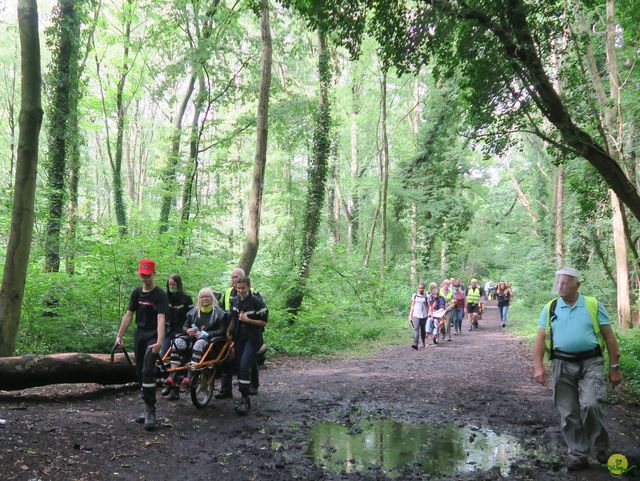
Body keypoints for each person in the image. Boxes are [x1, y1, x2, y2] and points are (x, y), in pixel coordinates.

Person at [533, 268, 621, 471]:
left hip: (591, 362)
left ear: (577, 285)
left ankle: (601, 447)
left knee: (591, 404)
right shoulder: (551, 307)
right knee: (568, 411)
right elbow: (540, 338)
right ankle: (579, 454)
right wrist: (538, 366)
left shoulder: (592, 305)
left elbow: (609, 337)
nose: (560, 286)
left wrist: (615, 367)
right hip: (561, 364)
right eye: (558, 282)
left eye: (564, 282)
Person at [115, 259, 168, 431]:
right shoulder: (136, 293)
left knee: (147, 370)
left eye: (148, 275)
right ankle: (146, 408)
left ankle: (151, 411)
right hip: (140, 336)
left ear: (154, 274)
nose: (145, 278)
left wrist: (160, 341)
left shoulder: (160, 295)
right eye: (142, 275)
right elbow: (129, 315)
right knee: (139, 373)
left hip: (153, 336)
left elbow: (161, 319)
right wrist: (119, 335)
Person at [167, 287, 230, 393]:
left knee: (199, 344)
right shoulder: (192, 312)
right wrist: (188, 330)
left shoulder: (220, 314)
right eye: (202, 297)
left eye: (207, 296)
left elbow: (222, 330)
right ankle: (172, 375)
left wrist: (205, 334)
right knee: (177, 343)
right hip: (191, 339)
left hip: (211, 343)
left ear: (212, 298)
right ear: (198, 299)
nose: (204, 299)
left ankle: (190, 377)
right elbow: (185, 326)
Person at [216, 267, 262, 399]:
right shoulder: (228, 292)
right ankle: (226, 389)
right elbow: (223, 311)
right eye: (233, 277)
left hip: (250, 333)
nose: (234, 280)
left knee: (249, 359)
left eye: (237, 277)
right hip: (231, 329)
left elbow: (260, 316)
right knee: (228, 358)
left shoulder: (254, 293)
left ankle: (253, 385)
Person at [228, 276, 268, 415]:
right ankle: (244, 396)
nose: (240, 291)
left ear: (249, 287)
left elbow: (263, 323)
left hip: (253, 338)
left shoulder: (257, 302)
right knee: (239, 367)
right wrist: (228, 332)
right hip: (239, 338)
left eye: (243, 288)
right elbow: (233, 319)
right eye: (238, 288)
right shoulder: (234, 300)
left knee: (245, 366)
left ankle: (245, 400)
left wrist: (248, 320)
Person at [161, 274, 193, 399]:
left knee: (180, 358)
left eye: (173, 284)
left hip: (182, 332)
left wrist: (188, 330)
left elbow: (191, 317)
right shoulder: (165, 297)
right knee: (164, 356)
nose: (171, 287)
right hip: (169, 332)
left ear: (178, 284)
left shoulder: (186, 298)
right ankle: (167, 382)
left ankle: (175, 389)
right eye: (169, 284)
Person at [408, 283, 429, 349]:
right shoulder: (414, 295)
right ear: (418, 288)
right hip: (415, 314)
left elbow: (428, 306)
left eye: (422, 288)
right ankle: (415, 344)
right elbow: (412, 305)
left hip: (424, 315)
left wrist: (430, 314)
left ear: (424, 289)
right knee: (416, 329)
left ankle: (423, 342)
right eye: (419, 288)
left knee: (423, 330)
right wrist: (410, 315)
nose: (420, 289)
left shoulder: (426, 296)